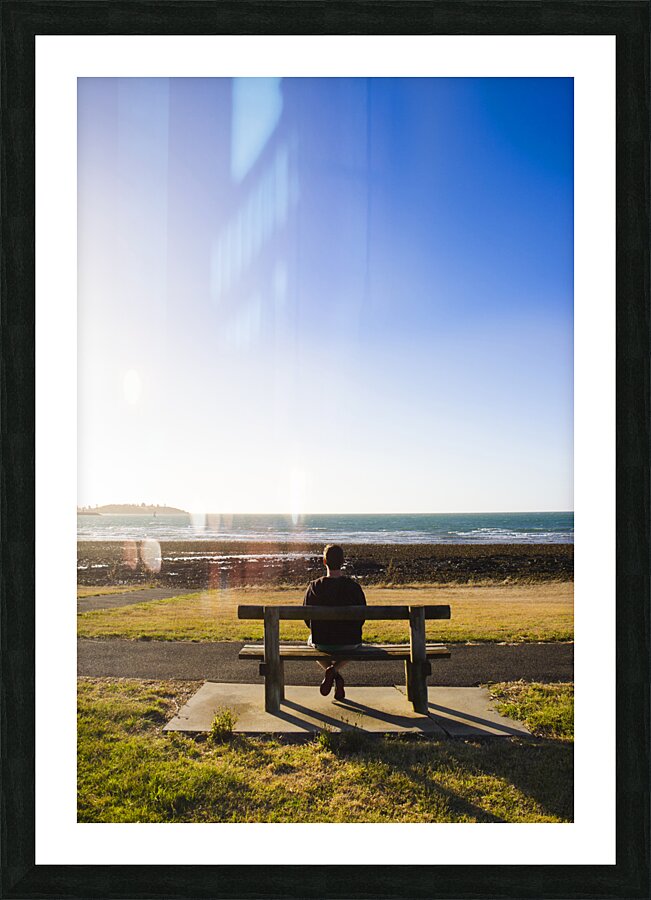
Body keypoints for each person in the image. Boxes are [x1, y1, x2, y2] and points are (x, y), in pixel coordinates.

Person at [303, 544, 366, 701]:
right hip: (350, 642)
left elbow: (306, 619)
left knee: (309, 641)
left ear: (324, 561)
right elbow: (362, 617)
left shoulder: (314, 587)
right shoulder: (353, 587)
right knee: (359, 644)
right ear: (343, 561)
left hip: (322, 642)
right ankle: (335, 672)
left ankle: (334, 673)